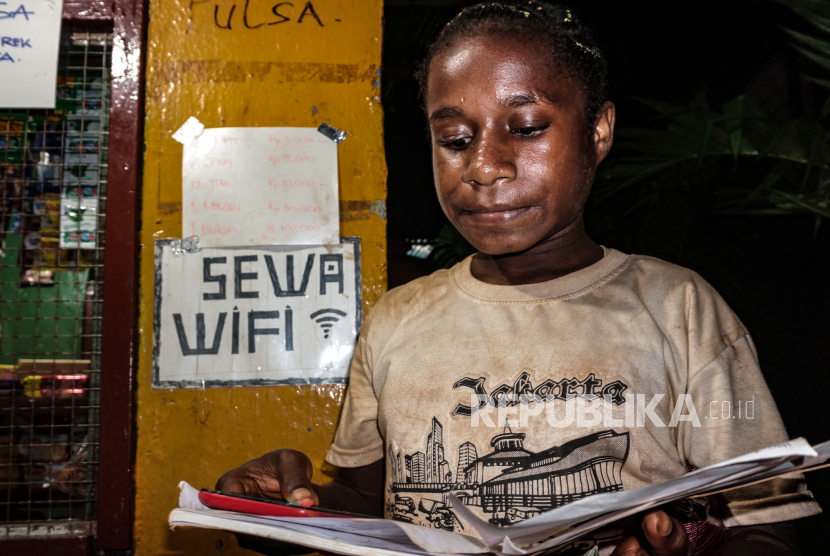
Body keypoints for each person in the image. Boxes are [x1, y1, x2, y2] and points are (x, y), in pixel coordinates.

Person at [217, 2, 820, 554]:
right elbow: (372, 504)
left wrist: (691, 546)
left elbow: (767, 531)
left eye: (527, 127)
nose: (484, 166)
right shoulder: (397, 319)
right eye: (454, 138)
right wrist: (289, 510)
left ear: (598, 131)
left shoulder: (678, 308)